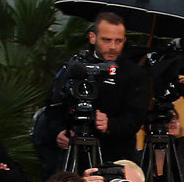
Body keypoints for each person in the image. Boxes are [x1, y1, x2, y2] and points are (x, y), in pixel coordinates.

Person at [33, 10, 151, 173]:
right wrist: (58, 131)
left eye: (119, 41)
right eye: (106, 40)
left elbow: (136, 117)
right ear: (92, 37)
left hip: (113, 158)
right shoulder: (73, 66)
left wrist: (110, 124)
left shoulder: (133, 73)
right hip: (70, 155)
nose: (113, 46)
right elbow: (52, 105)